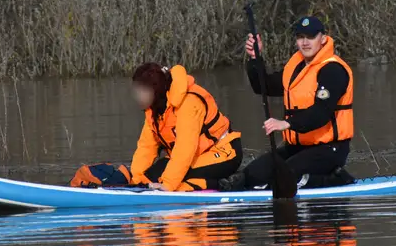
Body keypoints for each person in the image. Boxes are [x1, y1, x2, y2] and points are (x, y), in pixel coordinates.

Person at [219, 15, 356, 191]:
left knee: (285, 176)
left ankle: (334, 180)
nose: (305, 42)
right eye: (300, 37)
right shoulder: (296, 68)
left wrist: (287, 123)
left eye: (311, 37)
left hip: (329, 149)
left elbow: (321, 113)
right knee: (251, 175)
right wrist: (255, 58)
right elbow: (264, 86)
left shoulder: (333, 70)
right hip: (299, 147)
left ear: (322, 39)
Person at [129, 62, 243, 191]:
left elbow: (185, 148)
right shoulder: (155, 110)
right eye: (136, 91)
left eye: (142, 91)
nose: (137, 97)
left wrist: (167, 185)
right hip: (198, 155)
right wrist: (136, 179)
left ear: (156, 90)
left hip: (224, 153)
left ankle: (223, 184)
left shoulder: (189, 102)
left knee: (170, 177)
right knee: (152, 175)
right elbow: (146, 147)